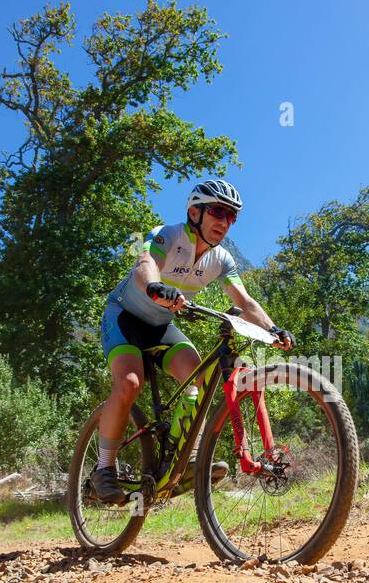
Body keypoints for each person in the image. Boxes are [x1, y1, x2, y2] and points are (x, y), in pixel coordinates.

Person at [91, 179, 293, 502]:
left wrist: (273, 329)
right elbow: (145, 266)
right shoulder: (168, 235)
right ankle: (103, 468)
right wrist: (156, 288)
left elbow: (244, 301)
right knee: (130, 383)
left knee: (199, 375)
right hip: (125, 317)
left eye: (231, 217)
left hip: (160, 326)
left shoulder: (222, 260)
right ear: (195, 211)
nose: (224, 222)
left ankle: (187, 459)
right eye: (217, 211)